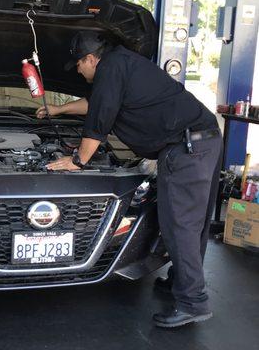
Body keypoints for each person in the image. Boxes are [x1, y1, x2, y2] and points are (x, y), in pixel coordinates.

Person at [38, 31, 223, 328]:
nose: (78, 71)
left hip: (187, 148)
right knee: (194, 221)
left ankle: (192, 302)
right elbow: (96, 103)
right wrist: (58, 109)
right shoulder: (119, 64)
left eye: (78, 65)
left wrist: (78, 160)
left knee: (181, 224)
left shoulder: (111, 68)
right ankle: (182, 281)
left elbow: (98, 123)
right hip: (202, 139)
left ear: (90, 58)